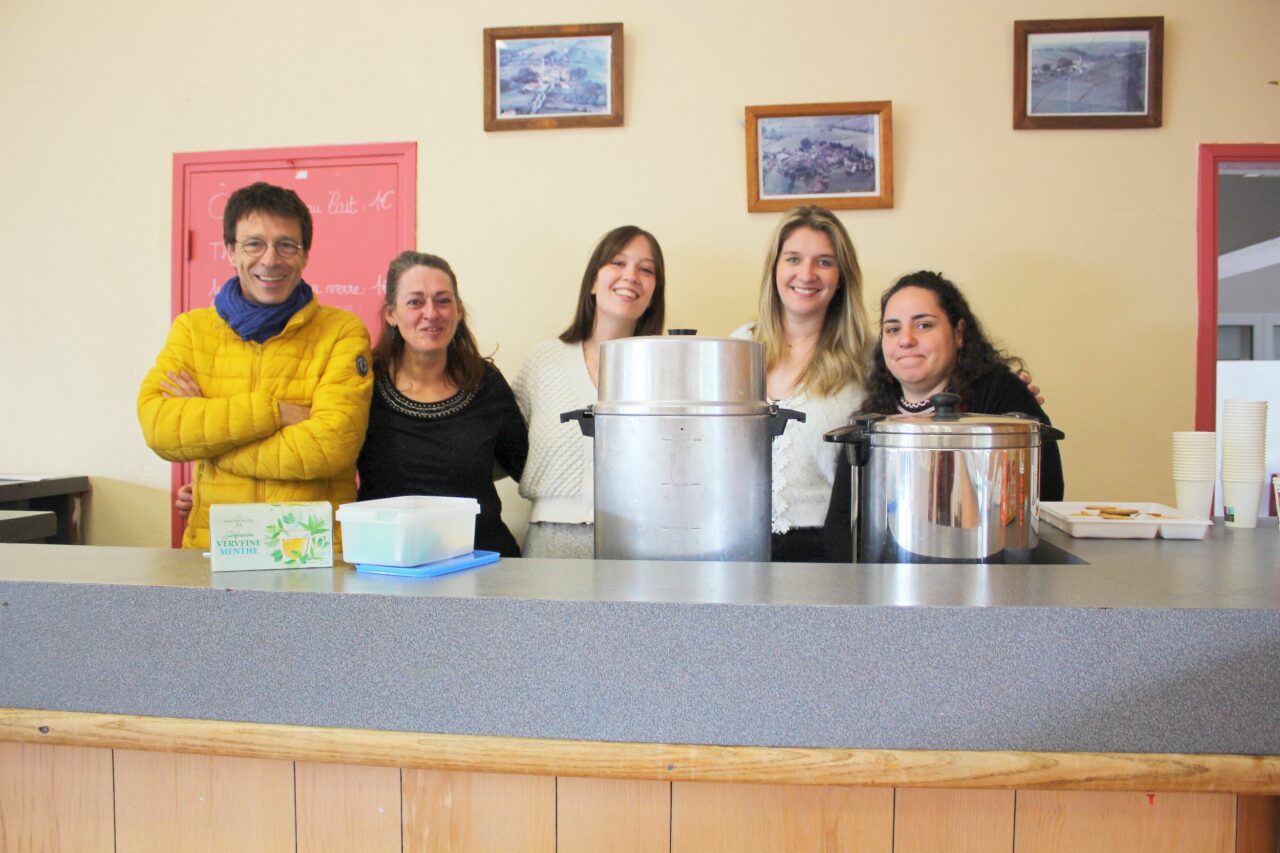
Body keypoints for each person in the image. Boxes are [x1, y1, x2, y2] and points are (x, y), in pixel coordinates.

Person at [138, 182, 373, 549]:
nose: (269, 259)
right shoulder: (192, 331)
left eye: (286, 244)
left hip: (312, 556)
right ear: (230, 251)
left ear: (305, 254)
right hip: (215, 552)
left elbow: (330, 447)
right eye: (253, 244)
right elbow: (159, 427)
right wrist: (272, 412)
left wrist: (210, 446)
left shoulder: (341, 333)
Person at [823, 270, 1065, 560]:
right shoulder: (872, 417)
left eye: (923, 325)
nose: (906, 340)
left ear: (959, 333)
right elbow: (840, 523)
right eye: (892, 329)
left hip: (990, 577)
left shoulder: (1001, 396)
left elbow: (1046, 494)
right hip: (887, 584)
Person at [356, 251, 528, 557]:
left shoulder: (486, 382)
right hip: (390, 567)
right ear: (390, 313)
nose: (431, 313)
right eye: (415, 302)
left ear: (459, 310)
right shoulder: (364, 382)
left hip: (482, 565)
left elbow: (527, 466)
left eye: (443, 300)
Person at [512, 226, 666, 558]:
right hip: (551, 544)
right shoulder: (544, 361)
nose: (631, 276)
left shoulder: (669, 369)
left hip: (645, 543)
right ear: (593, 282)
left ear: (655, 291)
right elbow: (503, 449)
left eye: (646, 269)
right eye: (618, 262)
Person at [732, 206, 871, 562]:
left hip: (825, 551)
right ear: (775, 269)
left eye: (824, 262)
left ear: (841, 276)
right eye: (793, 258)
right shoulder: (738, 347)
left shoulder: (867, 359)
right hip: (734, 544)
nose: (806, 274)